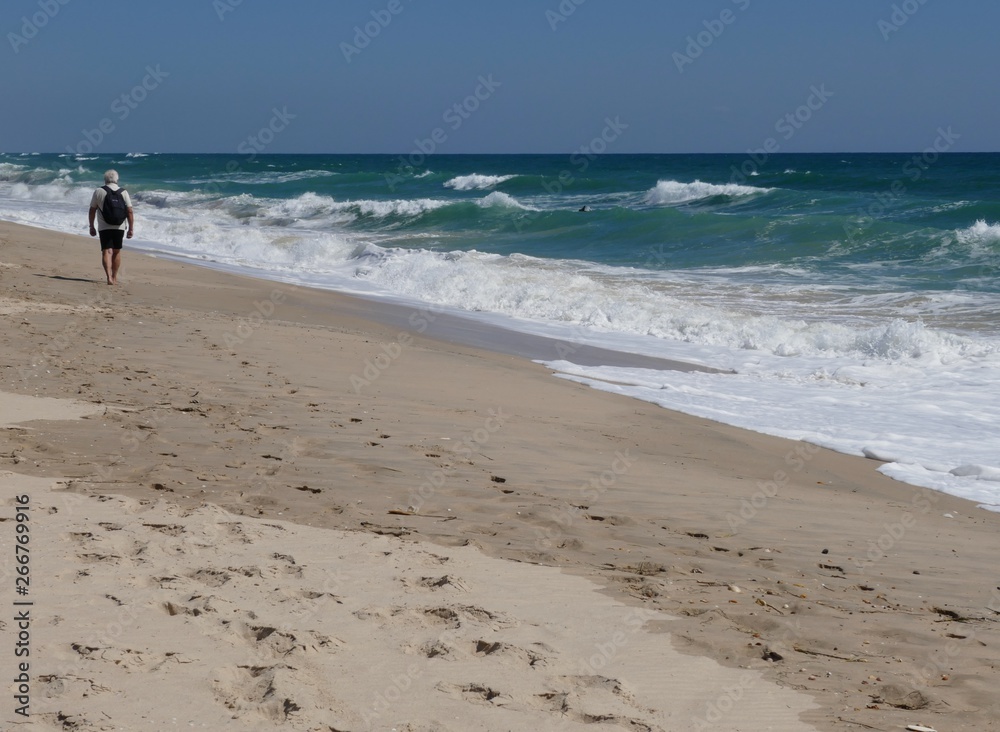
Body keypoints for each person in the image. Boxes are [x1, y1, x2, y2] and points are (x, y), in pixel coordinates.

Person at [88, 169, 134, 285]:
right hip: (119, 226)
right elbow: (129, 211)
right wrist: (131, 228)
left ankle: (108, 277)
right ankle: (114, 277)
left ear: (105, 179)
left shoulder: (98, 191)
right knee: (117, 251)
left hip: (104, 226)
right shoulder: (123, 192)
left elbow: (92, 210)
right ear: (117, 180)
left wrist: (91, 226)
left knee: (107, 251)